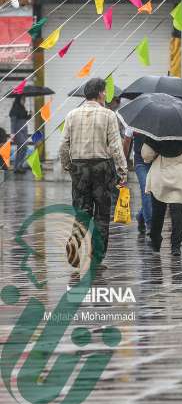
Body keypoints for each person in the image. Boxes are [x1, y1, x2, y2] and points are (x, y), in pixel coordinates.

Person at [59, 78, 127, 267]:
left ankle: (73, 246)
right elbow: (115, 146)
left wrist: (68, 166)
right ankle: (96, 257)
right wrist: (122, 170)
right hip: (101, 168)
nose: (106, 95)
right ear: (100, 93)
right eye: (105, 92)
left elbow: (64, 145)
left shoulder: (72, 115)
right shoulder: (108, 115)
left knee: (82, 212)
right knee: (102, 215)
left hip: (79, 168)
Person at [142, 138, 182, 257]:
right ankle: (176, 246)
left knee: (158, 211)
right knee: (177, 212)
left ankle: (156, 241)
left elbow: (146, 155)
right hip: (179, 177)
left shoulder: (156, 136)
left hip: (160, 176)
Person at [123, 129, 151, 235]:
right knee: (146, 190)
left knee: (156, 194)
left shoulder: (158, 121)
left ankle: (141, 216)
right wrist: (123, 162)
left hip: (156, 162)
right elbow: (126, 142)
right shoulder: (133, 123)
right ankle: (150, 225)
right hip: (140, 162)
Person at [9, 96, 30, 174]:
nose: (24, 101)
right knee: (24, 146)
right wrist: (12, 133)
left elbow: (24, 118)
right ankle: (18, 166)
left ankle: (18, 167)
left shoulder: (22, 108)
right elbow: (13, 122)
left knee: (21, 148)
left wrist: (29, 115)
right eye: (22, 99)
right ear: (18, 100)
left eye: (24, 99)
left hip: (24, 131)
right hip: (18, 131)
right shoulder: (15, 109)